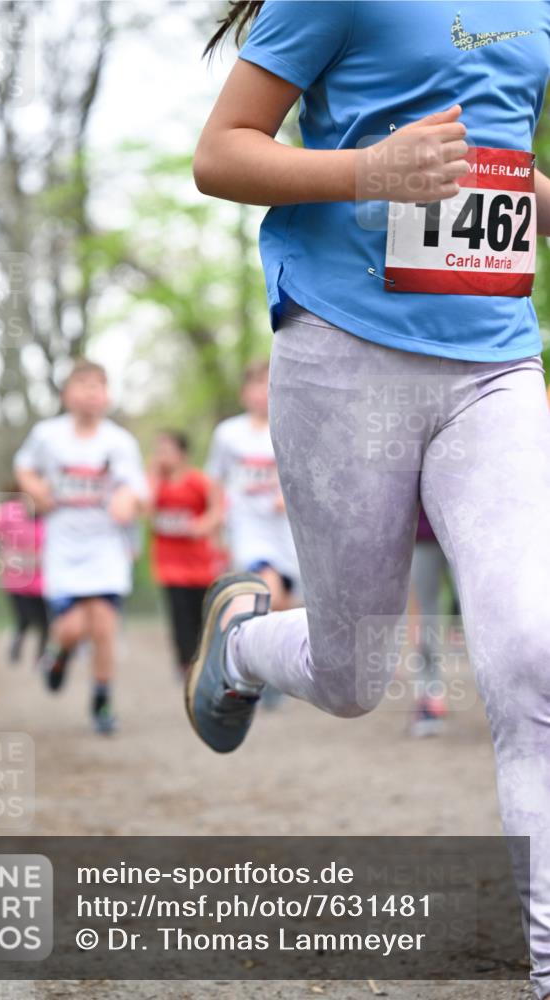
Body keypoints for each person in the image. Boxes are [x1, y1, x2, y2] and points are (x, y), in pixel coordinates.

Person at [184, 4, 550, 998]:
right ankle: (244, 643)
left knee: (532, 656)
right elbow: (218, 155)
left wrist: (533, 200)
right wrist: (365, 172)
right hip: (347, 351)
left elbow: (494, 166)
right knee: (351, 676)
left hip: (499, 362)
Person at [14, 360, 148, 734]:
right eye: (82, 384)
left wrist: (126, 499)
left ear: (107, 396)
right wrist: (35, 488)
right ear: (66, 394)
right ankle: (57, 654)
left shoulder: (119, 441)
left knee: (103, 626)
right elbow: (23, 467)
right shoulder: (47, 435)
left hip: (105, 545)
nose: (91, 392)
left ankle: (102, 701)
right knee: (72, 628)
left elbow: (137, 488)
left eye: (98, 385)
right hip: (64, 545)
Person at [206, 360, 300, 613]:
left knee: (282, 605)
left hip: (286, 531)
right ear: (243, 393)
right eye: (256, 384)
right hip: (247, 525)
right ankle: (231, 640)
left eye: (269, 384)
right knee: (266, 589)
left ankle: (250, 644)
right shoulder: (228, 433)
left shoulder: (294, 430)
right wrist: (216, 518)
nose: (263, 392)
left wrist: (287, 494)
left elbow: (308, 477)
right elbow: (216, 477)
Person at [149, 430, 221, 676]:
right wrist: (154, 477)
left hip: (200, 566)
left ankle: (205, 664)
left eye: (167, 451)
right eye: (158, 452)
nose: (162, 457)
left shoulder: (198, 481)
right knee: (179, 620)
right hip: (170, 567)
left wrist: (203, 525)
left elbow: (218, 509)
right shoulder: (156, 484)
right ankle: (186, 668)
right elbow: (144, 509)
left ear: (182, 454)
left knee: (202, 619)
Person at [0, 489, 48, 665]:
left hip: (44, 578)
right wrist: (1, 552)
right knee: (24, 618)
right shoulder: (9, 511)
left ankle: (41, 658)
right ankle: (15, 647)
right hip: (15, 578)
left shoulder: (52, 513)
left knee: (45, 620)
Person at [408, 506, 451, 737]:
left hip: (474, 525)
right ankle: (428, 695)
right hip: (423, 531)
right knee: (426, 615)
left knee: (488, 612)